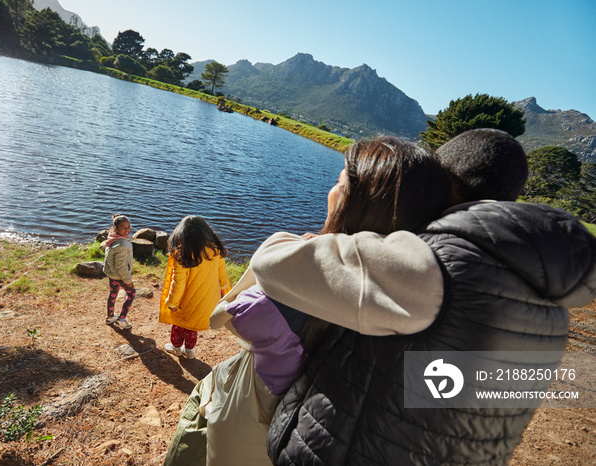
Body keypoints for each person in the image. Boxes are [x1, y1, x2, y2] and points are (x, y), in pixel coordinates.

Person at [249, 129, 596, 465]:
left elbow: (272, 264)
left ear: (446, 184)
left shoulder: (439, 266)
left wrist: (340, 210)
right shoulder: (553, 301)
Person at [163, 137, 451, 465]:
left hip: (248, 426)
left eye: (340, 181)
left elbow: (225, 311)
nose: (332, 189)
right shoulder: (419, 296)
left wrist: (315, 241)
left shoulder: (304, 273)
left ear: (354, 201)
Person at [159, 215, 231, 360]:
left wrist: (171, 302)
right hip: (207, 300)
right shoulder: (214, 249)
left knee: (178, 325)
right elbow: (222, 275)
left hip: (185, 301)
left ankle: (176, 348)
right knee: (193, 327)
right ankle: (189, 351)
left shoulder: (181, 254)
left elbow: (177, 283)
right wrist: (224, 292)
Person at [102, 215, 135, 330]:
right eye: (123, 228)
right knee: (131, 293)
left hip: (112, 274)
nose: (127, 230)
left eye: (128, 227)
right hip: (120, 276)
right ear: (116, 228)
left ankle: (110, 316)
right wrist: (128, 280)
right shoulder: (121, 244)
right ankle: (121, 320)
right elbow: (121, 266)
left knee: (113, 293)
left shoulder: (112, 238)